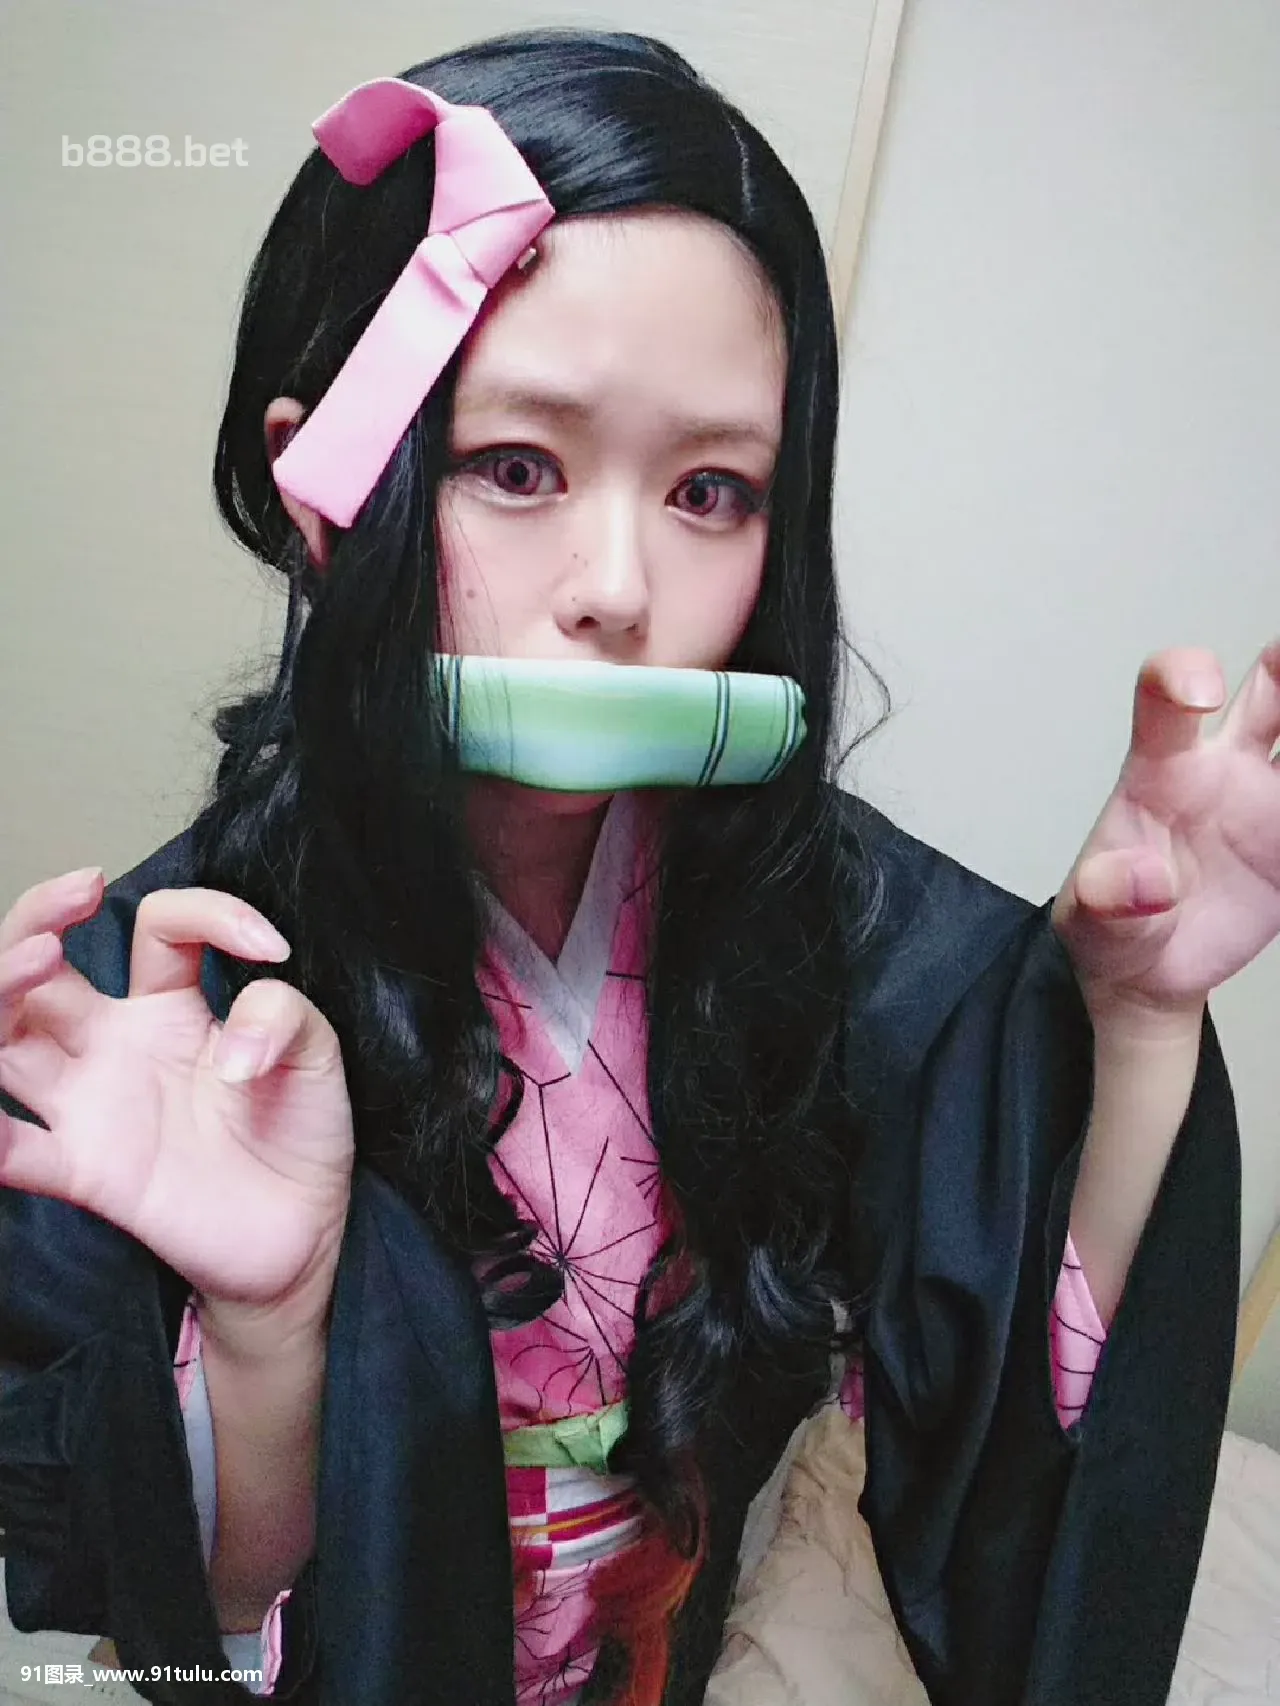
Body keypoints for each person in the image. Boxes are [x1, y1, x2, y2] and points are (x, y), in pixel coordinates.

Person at [0, 27, 1276, 1706]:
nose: (617, 586)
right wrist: (267, 1322)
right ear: (331, 494)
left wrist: (1138, 1022)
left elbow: (1010, 1396)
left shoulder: (847, 926)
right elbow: (194, 1615)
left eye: (711, 490)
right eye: (517, 468)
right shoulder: (171, 992)